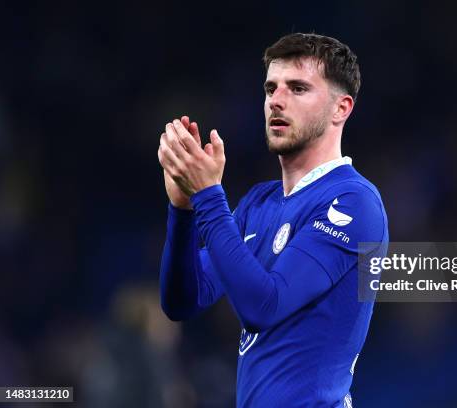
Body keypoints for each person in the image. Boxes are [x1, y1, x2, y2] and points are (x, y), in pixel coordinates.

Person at [158, 33, 389, 407]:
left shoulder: (354, 201)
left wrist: (209, 197)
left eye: (298, 89)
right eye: (271, 88)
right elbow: (183, 300)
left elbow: (264, 305)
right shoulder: (258, 203)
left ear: (340, 108)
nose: (276, 101)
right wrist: (183, 209)